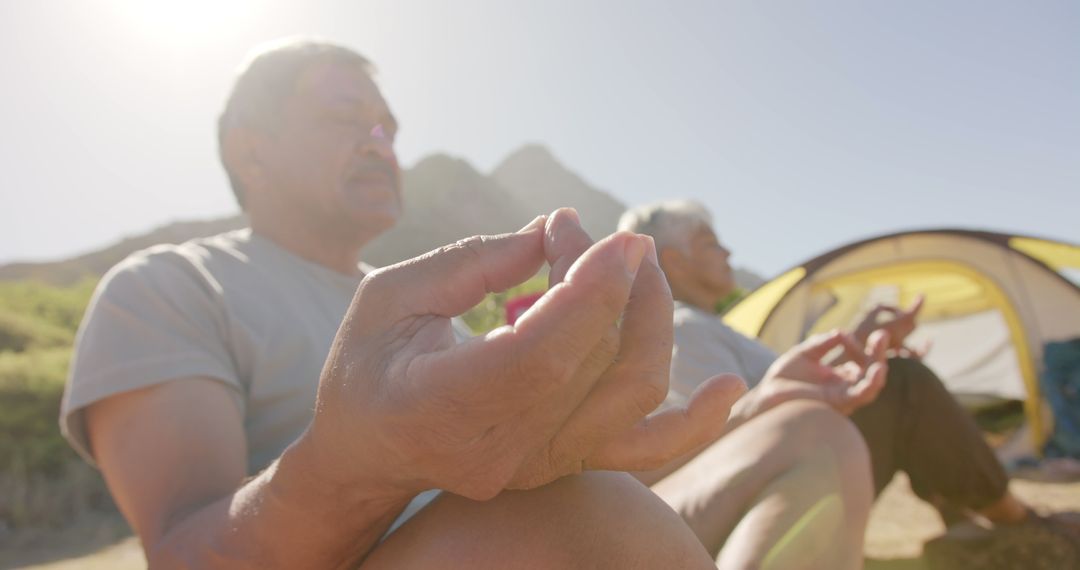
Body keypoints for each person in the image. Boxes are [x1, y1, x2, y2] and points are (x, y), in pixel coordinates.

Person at [58, 40, 748, 568]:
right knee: (586, 517)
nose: (381, 144)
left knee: (807, 433)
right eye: (346, 118)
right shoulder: (166, 288)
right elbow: (184, 555)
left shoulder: (425, 311)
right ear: (252, 151)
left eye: (389, 129)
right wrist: (363, 467)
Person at [617, 199, 1080, 562]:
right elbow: (711, 434)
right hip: (777, 472)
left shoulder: (710, 326)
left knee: (894, 379)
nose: (728, 252)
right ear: (673, 260)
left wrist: (862, 344)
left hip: (797, 450)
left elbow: (778, 384)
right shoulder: (684, 330)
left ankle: (967, 525)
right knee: (902, 385)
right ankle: (1018, 523)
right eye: (711, 243)